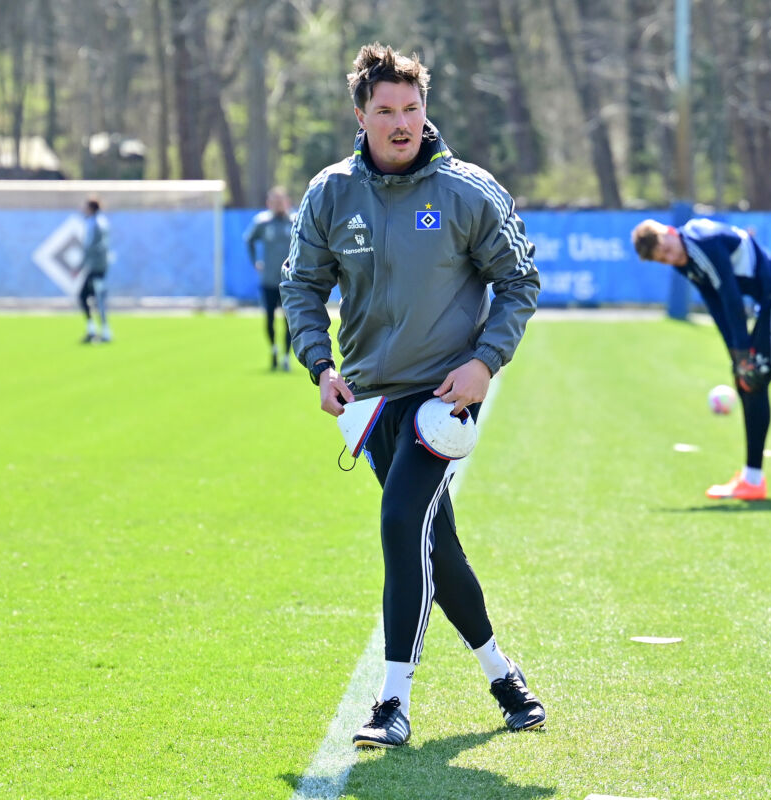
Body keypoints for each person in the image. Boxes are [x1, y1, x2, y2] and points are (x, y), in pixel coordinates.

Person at [280, 42, 545, 749]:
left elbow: (520, 282)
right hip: (370, 403)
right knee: (438, 548)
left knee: (402, 523)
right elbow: (301, 286)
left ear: (426, 110)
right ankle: (503, 676)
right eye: (386, 110)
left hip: (444, 397)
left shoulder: (467, 189)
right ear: (361, 115)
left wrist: (486, 363)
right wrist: (319, 364)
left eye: (413, 107)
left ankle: (391, 701)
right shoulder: (330, 192)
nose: (402, 122)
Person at [631, 218, 771, 501]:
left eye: (666, 249)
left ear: (669, 231)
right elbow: (714, 303)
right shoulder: (685, 258)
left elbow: (729, 295)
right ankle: (752, 479)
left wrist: (742, 353)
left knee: (753, 382)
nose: (670, 258)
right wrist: (734, 353)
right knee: (746, 381)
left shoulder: (700, 242)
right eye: (662, 259)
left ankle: (753, 481)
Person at [244, 186, 295, 370]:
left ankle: (287, 356)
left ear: (287, 202)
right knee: (269, 319)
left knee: (289, 320)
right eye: (275, 201)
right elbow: (248, 239)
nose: (278, 204)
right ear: (269, 203)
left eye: (281, 200)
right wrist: (255, 261)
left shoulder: (295, 221)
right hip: (269, 279)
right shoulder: (263, 222)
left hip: (289, 281)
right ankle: (274, 349)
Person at [77, 196, 112, 344]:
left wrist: (81, 266)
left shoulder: (94, 223)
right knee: (92, 297)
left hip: (96, 266)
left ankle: (101, 331)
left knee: (87, 296)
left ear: (91, 208)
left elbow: (90, 246)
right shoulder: (103, 222)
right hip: (101, 265)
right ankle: (97, 330)